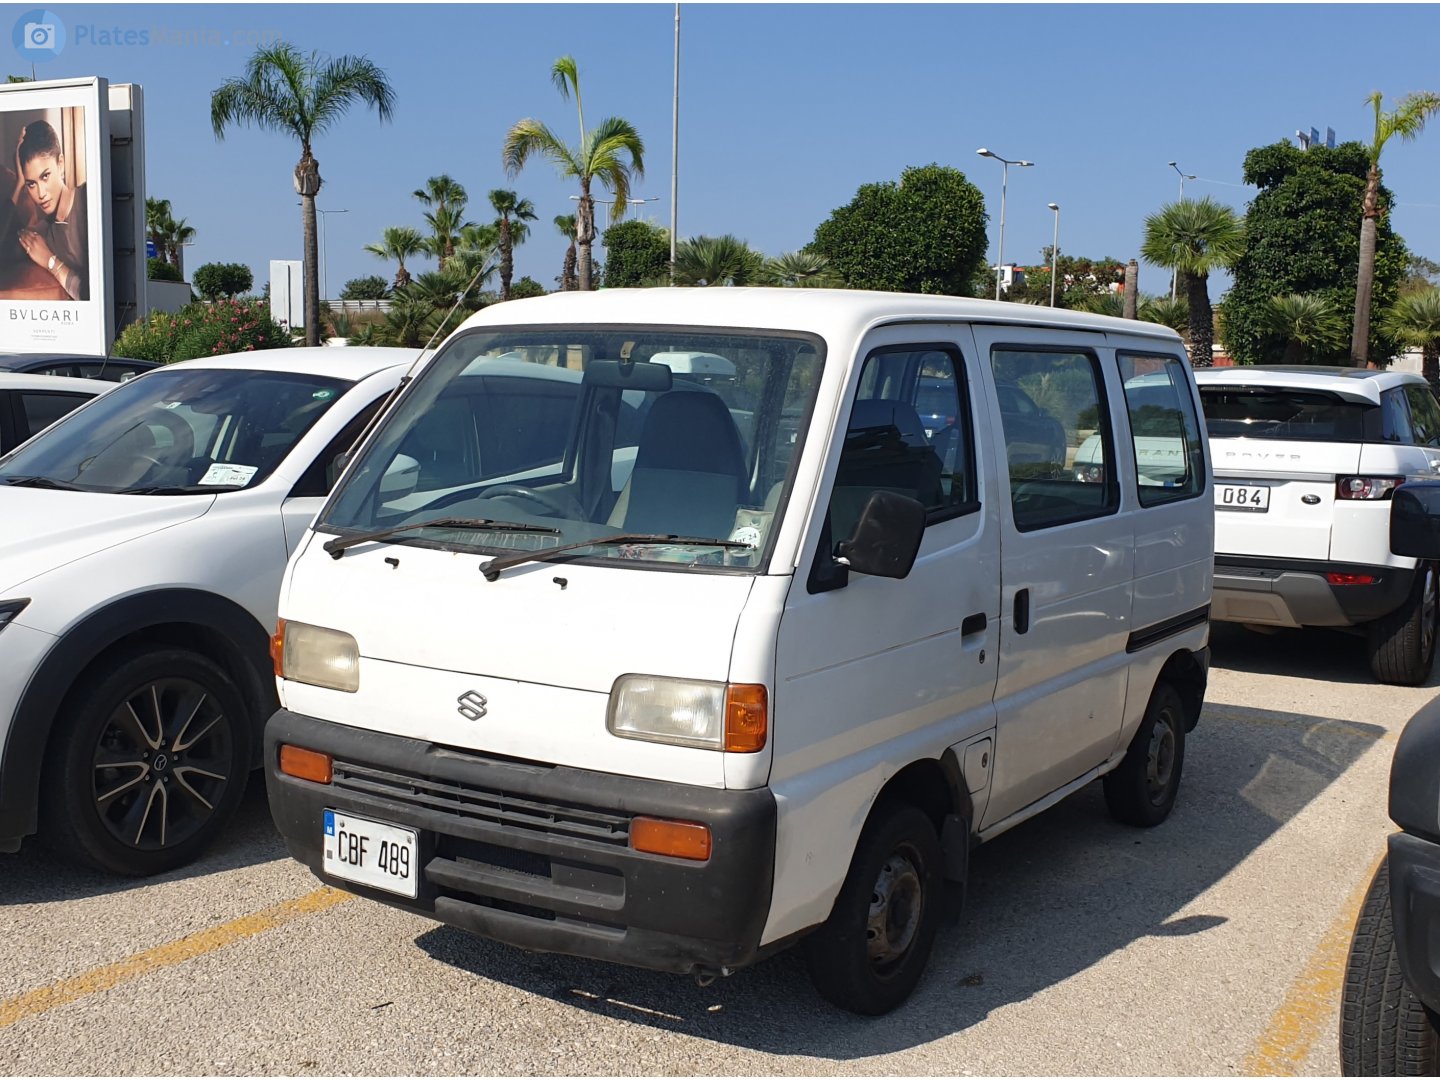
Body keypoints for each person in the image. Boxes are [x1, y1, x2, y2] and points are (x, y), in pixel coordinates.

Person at [14, 119, 87, 301]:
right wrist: (19, 183)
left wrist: (50, 262)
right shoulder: (45, 231)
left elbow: (93, 294)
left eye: (45, 176)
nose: (41, 194)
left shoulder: (88, 199)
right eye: (31, 184)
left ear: (60, 164)